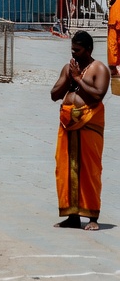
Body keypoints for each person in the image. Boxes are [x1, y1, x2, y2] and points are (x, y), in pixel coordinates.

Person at [51, 30, 109, 230]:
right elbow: (54, 94)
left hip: (89, 124)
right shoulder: (69, 68)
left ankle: (92, 216)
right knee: (66, 169)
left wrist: (78, 79)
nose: (73, 53)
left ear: (89, 50)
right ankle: (72, 216)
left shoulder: (99, 68)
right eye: (72, 49)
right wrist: (68, 79)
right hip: (68, 125)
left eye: (77, 50)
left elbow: (98, 95)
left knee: (90, 170)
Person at [106, 0, 120, 78]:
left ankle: (113, 68)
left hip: (114, 22)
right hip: (114, 22)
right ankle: (113, 68)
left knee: (113, 45)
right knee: (113, 45)